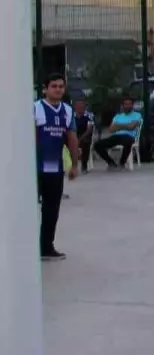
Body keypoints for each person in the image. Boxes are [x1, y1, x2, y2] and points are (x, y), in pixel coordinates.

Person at [34, 74, 80, 260]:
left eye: (61, 86)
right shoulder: (35, 108)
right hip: (33, 169)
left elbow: (72, 138)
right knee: (25, 209)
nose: (58, 89)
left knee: (51, 210)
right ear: (45, 89)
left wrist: (74, 165)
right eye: (54, 86)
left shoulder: (67, 111)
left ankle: (46, 248)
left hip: (54, 168)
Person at [95, 96, 142, 169]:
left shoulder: (137, 115)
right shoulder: (117, 116)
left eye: (129, 104)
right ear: (122, 106)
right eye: (126, 104)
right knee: (97, 145)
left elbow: (131, 127)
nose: (127, 106)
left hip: (129, 136)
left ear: (132, 105)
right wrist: (125, 126)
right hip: (116, 136)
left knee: (128, 142)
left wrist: (118, 126)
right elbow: (111, 129)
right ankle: (111, 163)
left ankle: (122, 163)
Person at [71, 97, 95, 173]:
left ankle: (84, 166)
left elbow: (89, 130)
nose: (80, 107)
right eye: (78, 105)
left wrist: (79, 140)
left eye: (82, 105)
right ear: (75, 107)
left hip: (85, 135)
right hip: (73, 135)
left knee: (85, 142)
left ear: (85, 106)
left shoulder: (90, 116)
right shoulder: (71, 116)